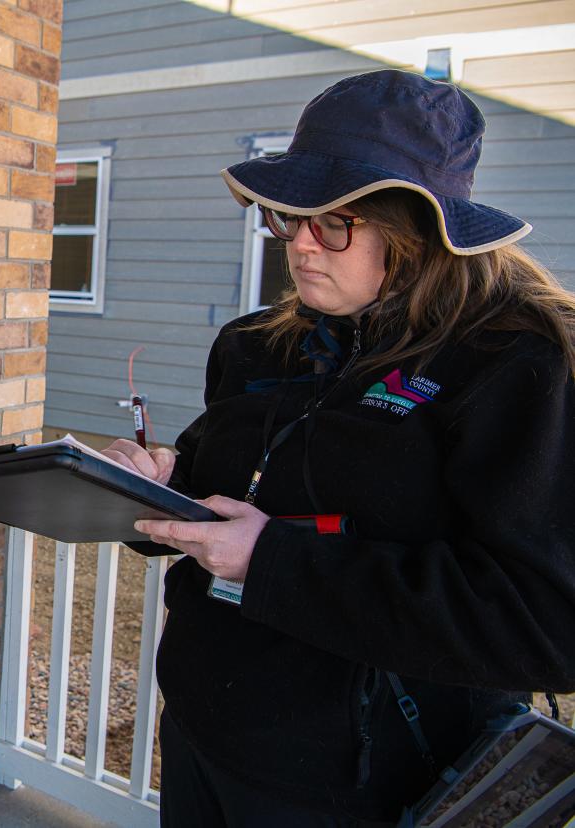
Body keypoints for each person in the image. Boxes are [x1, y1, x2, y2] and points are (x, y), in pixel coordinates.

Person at [103, 69, 575, 825]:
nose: (300, 246)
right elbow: (229, 484)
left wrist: (275, 563)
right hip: (206, 737)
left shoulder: (515, 368)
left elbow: (545, 621)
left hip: (361, 785)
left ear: (421, 233)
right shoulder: (258, 345)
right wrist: (163, 484)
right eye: (289, 218)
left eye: (334, 224)